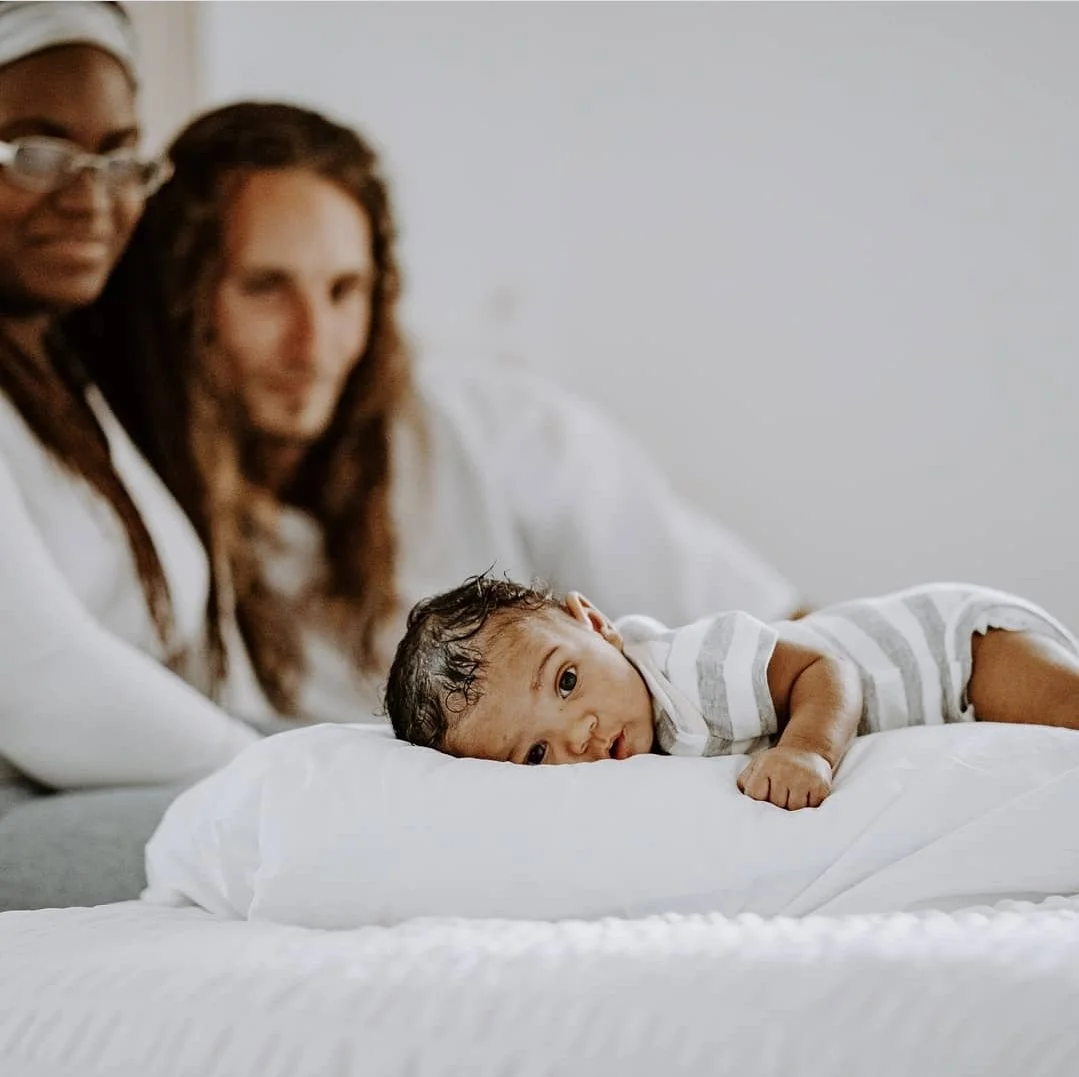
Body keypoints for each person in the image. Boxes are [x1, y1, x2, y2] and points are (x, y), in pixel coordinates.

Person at [77, 101, 806, 727]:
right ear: (180, 300)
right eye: (266, 287)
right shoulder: (121, 494)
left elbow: (781, 628)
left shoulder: (503, 433)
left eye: (343, 290)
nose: (314, 345)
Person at [0, 2, 267, 907]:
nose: (90, 197)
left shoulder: (68, 382)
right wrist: (286, 765)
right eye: (35, 153)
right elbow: (36, 685)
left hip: (89, 801)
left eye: (118, 157)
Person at [385, 573, 1079, 810]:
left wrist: (807, 749)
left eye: (566, 680)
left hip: (948, 651)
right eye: (535, 754)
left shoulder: (694, 667)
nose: (578, 732)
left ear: (597, 624)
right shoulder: (628, 761)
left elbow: (823, 668)